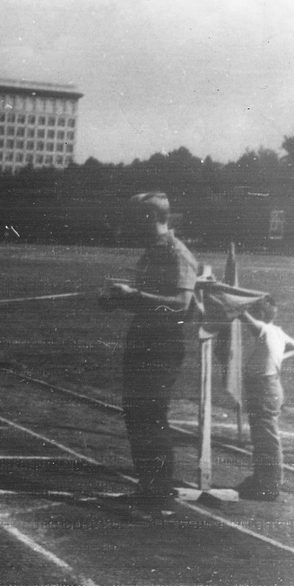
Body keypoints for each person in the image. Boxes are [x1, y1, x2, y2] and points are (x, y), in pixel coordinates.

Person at [99, 192, 198, 504]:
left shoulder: (176, 253)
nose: (129, 224)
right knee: (137, 412)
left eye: (135, 217)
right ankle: (148, 485)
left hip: (163, 343)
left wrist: (135, 296)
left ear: (150, 217)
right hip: (143, 338)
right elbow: (148, 299)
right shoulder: (152, 251)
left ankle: (159, 491)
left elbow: (182, 305)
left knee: (152, 413)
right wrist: (118, 301)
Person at [236, 296, 294, 501]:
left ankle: (269, 485)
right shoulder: (277, 331)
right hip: (269, 386)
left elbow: (241, 314)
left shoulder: (263, 330)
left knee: (266, 438)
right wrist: (279, 358)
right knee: (263, 437)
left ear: (261, 315)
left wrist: (230, 299)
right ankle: (262, 480)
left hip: (264, 388)